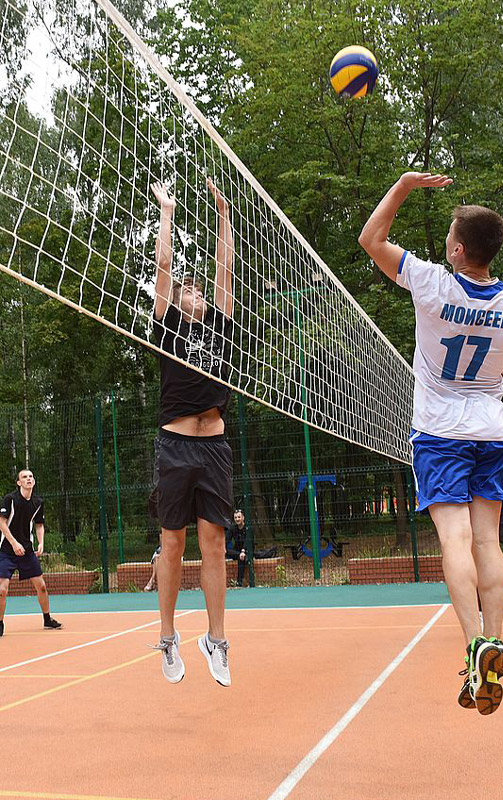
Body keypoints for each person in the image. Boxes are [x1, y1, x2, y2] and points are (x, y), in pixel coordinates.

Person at [359, 171, 503, 715]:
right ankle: (493, 642)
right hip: (491, 432)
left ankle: (475, 643)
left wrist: (404, 185)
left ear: (457, 249)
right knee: (487, 542)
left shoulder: (432, 282)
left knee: (455, 540)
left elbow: (371, 239)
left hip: (439, 434)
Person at [149, 177, 234, 687]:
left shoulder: (220, 328)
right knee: (173, 543)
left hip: (214, 446)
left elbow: (226, 269)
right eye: (189, 290)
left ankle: (216, 640)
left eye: (200, 290)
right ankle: (167, 635)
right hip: (175, 445)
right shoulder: (167, 328)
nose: (197, 293)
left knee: (215, 544)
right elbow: (162, 269)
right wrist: (167, 211)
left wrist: (223, 214)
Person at [0, 469, 62, 637]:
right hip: (6, 550)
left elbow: (39, 524)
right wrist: (14, 543)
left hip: (27, 551)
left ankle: (47, 619)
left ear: (33, 481)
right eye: (24, 477)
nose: (28, 479)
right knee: (2, 590)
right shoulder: (10, 499)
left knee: (41, 586)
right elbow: (2, 523)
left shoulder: (38, 502)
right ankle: (0, 623)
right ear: (18, 482)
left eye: (30, 477)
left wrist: (41, 543)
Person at [225, 509, 278, 586]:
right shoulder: (233, 528)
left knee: (242, 558)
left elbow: (248, 541)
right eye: (235, 517)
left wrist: (243, 551)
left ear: (243, 517)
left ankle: (239, 582)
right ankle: (244, 557)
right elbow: (227, 540)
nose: (237, 519)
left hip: (247, 551)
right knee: (228, 551)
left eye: (239, 517)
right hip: (237, 552)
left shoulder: (248, 528)